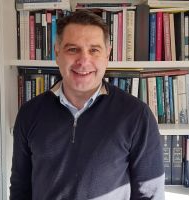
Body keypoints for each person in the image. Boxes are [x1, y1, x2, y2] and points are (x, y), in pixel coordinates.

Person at [10, 9, 165, 200]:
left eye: (94, 50)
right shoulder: (29, 113)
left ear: (107, 55)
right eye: (72, 49)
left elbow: (149, 195)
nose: (83, 61)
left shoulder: (136, 115)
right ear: (57, 53)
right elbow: (20, 188)